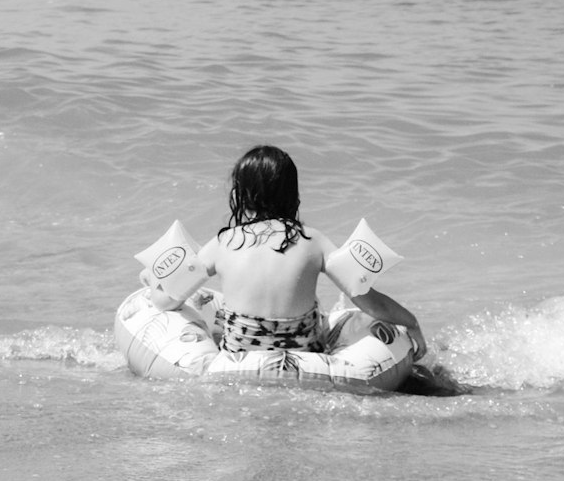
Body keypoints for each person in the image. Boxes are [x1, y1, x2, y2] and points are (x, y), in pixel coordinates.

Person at [159, 144, 422, 354]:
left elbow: (169, 300)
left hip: (239, 354)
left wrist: (153, 280)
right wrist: (411, 322)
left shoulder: (223, 243)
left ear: (240, 195)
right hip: (306, 355)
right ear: (292, 194)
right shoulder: (313, 241)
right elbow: (368, 300)